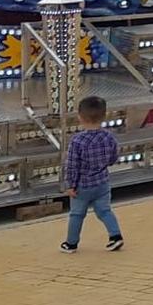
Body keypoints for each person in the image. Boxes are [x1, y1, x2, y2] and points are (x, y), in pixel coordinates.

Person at [60, 95, 124, 253]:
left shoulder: (77, 141)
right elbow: (113, 156)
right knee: (105, 211)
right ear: (104, 116)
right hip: (102, 183)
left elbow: (73, 165)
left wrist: (70, 185)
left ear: (80, 117)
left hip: (82, 186)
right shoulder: (109, 137)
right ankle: (115, 236)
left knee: (77, 214)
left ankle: (71, 243)